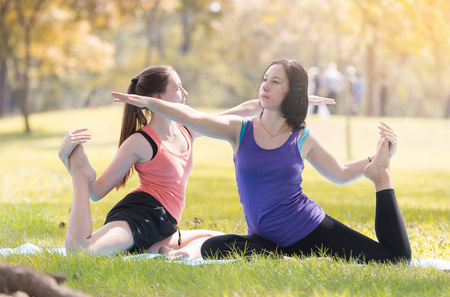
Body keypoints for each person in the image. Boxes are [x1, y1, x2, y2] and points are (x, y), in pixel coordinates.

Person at [112, 58, 411, 264]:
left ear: (290, 91)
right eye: (265, 79)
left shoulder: (302, 135)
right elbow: (195, 117)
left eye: (275, 81)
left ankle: (381, 176)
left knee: (395, 259)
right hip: (265, 239)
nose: (265, 86)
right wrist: (151, 102)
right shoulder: (239, 130)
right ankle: (285, 258)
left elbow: (341, 173)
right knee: (217, 246)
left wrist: (376, 160)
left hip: (309, 228)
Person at [59, 64, 332, 256]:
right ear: (158, 99)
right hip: (139, 217)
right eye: (178, 87)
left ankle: (156, 248)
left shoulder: (186, 131)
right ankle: (140, 241)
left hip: (166, 224)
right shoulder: (141, 141)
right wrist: (75, 168)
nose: (185, 92)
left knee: (224, 240)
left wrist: (292, 99)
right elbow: (96, 192)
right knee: (83, 251)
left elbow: (245, 108)